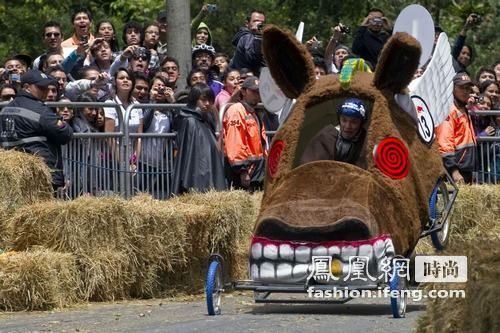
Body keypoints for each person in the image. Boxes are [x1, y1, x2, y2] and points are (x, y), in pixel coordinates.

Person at [0, 69, 73, 191]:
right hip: (42, 175)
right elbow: (65, 134)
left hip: (12, 177)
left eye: (47, 87)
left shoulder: (4, 110)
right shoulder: (41, 111)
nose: (46, 91)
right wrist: (65, 125)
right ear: (27, 87)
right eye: (41, 87)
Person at [172, 83, 226, 195]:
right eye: (203, 100)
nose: (207, 104)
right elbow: (190, 158)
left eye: (210, 101)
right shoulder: (190, 121)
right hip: (197, 179)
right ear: (194, 100)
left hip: (208, 176)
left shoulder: (205, 119)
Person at [223, 76, 268, 191]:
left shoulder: (253, 112)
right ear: (243, 91)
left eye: (259, 92)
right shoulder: (236, 111)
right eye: (254, 92)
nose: (257, 95)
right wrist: (242, 171)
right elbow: (235, 142)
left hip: (255, 169)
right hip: (243, 172)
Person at [435, 73, 477, 184]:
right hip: (455, 170)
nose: (465, 91)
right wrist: (454, 171)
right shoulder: (448, 110)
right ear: (452, 88)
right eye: (461, 87)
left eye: (468, 88)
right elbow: (444, 142)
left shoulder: (462, 108)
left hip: (465, 168)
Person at [300, 98, 367, 165]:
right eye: (344, 120)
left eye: (354, 122)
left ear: (361, 124)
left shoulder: (366, 142)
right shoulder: (326, 136)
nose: (347, 126)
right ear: (339, 120)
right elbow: (309, 166)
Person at [230, 10, 266, 75]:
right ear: (247, 24)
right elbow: (252, 58)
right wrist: (258, 35)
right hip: (248, 81)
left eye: (262, 22)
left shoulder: (262, 39)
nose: (260, 24)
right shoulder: (246, 37)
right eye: (256, 21)